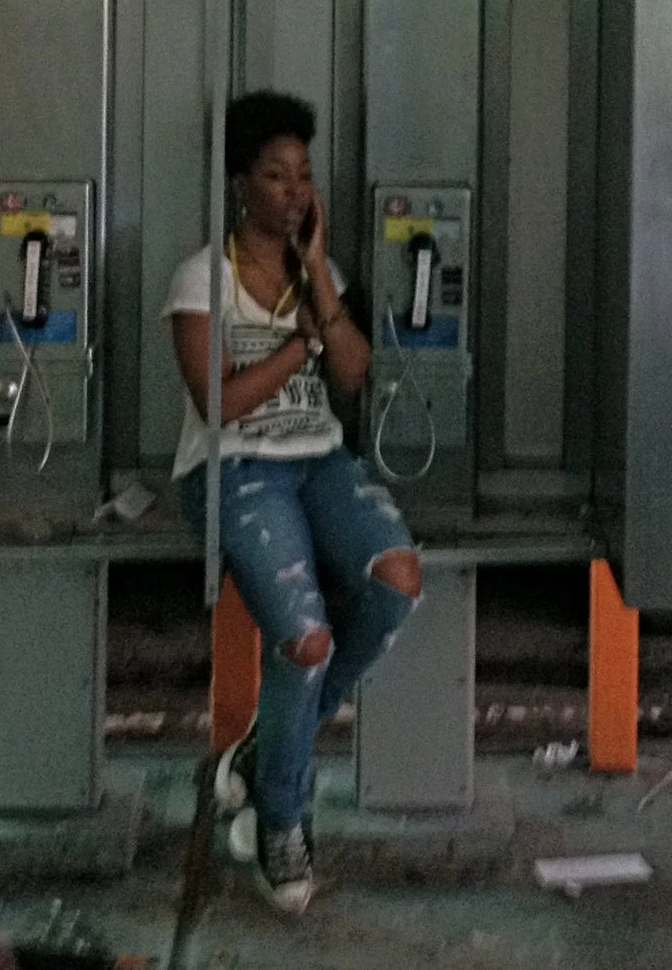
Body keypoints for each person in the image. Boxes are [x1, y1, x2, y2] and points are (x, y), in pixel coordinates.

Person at [168, 91, 421, 917]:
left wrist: (317, 276)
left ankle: (264, 759)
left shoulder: (323, 277)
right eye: (276, 176)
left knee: (397, 579)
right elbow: (221, 403)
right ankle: (284, 819)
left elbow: (352, 375)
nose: (294, 192)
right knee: (306, 642)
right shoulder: (201, 277)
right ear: (242, 184)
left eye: (304, 177)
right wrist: (302, 341)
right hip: (235, 468)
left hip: (316, 459)